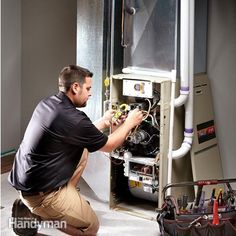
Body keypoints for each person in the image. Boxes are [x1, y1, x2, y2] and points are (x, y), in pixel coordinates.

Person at [8, 65, 143, 236]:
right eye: (88, 88)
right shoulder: (74, 119)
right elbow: (109, 145)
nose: (90, 93)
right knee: (91, 228)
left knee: (83, 149)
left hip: (27, 180)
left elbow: (77, 133)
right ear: (75, 87)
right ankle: (41, 214)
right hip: (41, 194)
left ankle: (54, 204)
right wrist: (130, 123)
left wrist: (104, 120)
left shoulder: (48, 104)